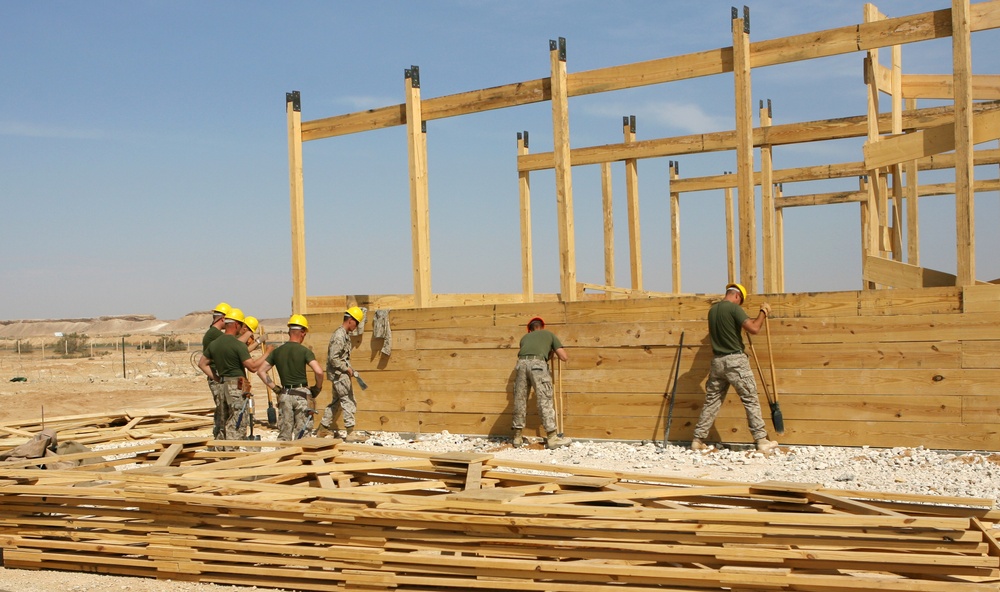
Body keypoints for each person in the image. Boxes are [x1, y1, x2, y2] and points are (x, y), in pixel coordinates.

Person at [691, 283, 779, 455]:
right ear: (737, 297)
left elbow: (727, 331)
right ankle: (761, 441)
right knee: (750, 399)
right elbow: (754, 328)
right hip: (735, 362)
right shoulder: (733, 309)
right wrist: (763, 313)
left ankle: (697, 440)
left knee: (712, 401)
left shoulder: (713, 311)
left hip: (717, 362)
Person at [197, 308, 265, 443]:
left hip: (222, 384)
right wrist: (268, 353)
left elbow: (202, 364)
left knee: (223, 419)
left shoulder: (215, 343)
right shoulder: (237, 344)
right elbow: (252, 367)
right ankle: (232, 452)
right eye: (241, 325)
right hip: (236, 385)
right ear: (236, 325)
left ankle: (221, 451)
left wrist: (217, 378)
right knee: (237, 419)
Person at [256, 314, 324, 441]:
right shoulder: (304, 351)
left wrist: (275, 388)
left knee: (284, 434)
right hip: (302, 395)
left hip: (285, 395)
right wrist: (317, 388)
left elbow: (261, 371)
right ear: (302, 332)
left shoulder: (277, 351)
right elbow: (319, 372)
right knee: (303, 434)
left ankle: (283, 457)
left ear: (289, 332)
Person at [512, 316, 571, 450]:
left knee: (519, 399)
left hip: (521, 365)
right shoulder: (549, 334)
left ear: (530, 330)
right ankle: (552, 438)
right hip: (538, 365)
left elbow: (527, 353)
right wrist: (552, 352)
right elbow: (564, 357)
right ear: (542, 327)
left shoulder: (524, 338)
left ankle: (517, 437)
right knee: (545, 399)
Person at [318, 306, 366, 442]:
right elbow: (334, 358)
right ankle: (350, 433)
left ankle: (322, 429)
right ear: (350, 320)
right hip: (339, 375)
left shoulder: (343, 335)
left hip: (338, 374)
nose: (356, 326)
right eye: (356, 322)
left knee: (336, 402)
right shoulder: (340, 336)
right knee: (348, 400)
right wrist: (346, 369)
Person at [202, 302, 231, 440]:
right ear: (223, 319)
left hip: (218, 375)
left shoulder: (214, 333)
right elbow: (234, 344)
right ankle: (220, 441)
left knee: (222, 409)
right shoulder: (214, 334)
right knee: (222, 410)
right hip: (217, 374)